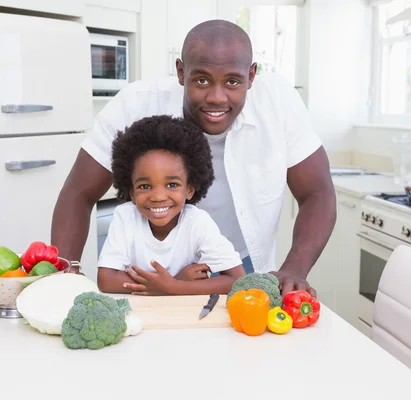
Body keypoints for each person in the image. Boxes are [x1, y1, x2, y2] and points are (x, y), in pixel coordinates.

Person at [51, 19, 336, 297]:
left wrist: (295, 268)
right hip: (152, 270)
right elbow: (79, 192)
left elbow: (317, 192)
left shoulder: (278, 101)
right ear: (180, 72)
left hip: (242, 263)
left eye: (233, 82)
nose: (216, 97)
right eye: (201, 80)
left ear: (251, 76)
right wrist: (66, 271)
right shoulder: (135, 103)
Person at [97, 115, 246, 295]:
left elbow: (237, 280)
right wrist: (173, 282)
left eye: (172, 185)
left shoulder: (197, 222)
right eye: (145, 186)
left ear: (189, 189)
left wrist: (173, 287)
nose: (158, 196)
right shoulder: (125, 217)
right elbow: (106, 280)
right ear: (132, 193)